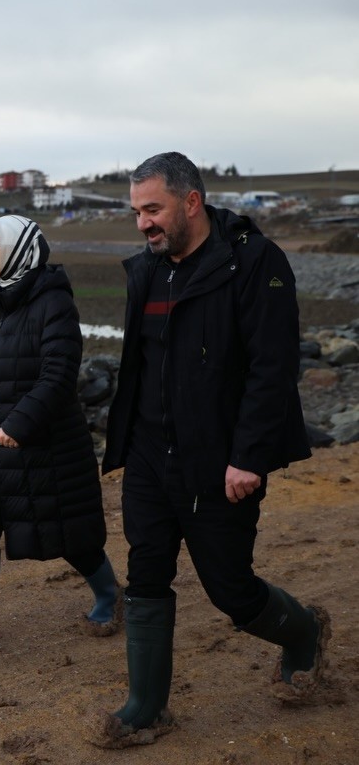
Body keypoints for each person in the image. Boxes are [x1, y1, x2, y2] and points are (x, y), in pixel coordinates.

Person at [89, 152, 330, 748]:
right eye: (136, 212)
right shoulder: (149, 270)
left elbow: (272, 370)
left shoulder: (255, 262)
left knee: (230, 589)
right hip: (150, 455)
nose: (142, 224)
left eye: (153, 209)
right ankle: (146, 707)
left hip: (219, 460)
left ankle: (303, 633)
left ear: (191, 202)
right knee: (145, 573)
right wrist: (126, 444)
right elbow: (142, 365)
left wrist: (249, 456)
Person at [0, 215, 120, 659]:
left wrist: (19, 423)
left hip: (44, 442)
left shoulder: (54, 303)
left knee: (67, 534)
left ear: (17, 249)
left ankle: (110, 596)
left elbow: (59, 375)